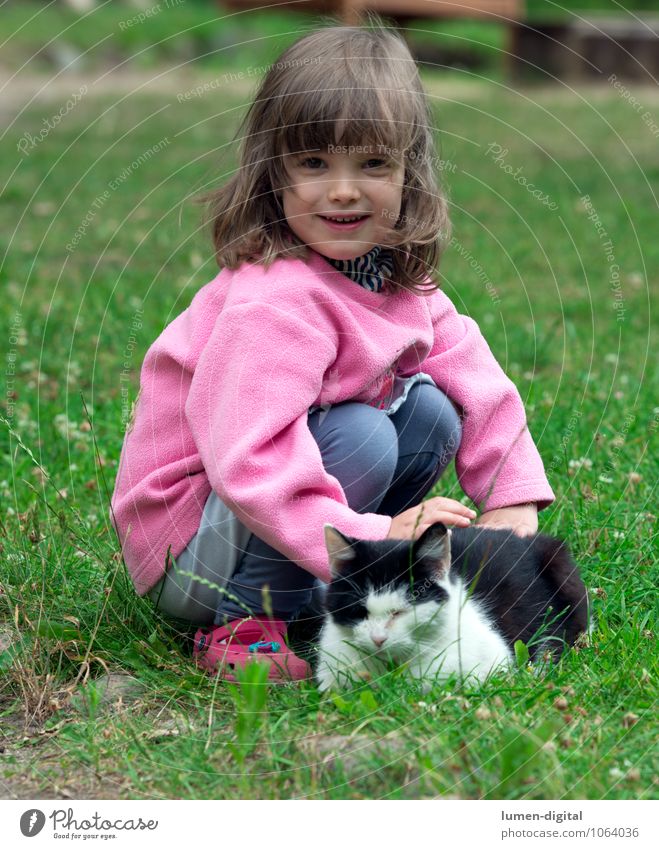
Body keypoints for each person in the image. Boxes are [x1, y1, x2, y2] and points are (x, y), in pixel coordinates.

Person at [110, 20, 555, 682]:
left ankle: (333, 595)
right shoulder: (273, 300)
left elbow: (475, 380)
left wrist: (511, 495)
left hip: (268, 521)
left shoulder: (391, 275)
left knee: (430, 409)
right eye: (313, 163)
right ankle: (248, 619)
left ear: (410, 172)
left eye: (372, 163)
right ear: (274, 174)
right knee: (361, 433)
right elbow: (250, 464)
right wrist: (379, 539)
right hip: (190, 553)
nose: (343, 189)